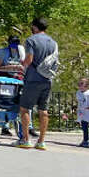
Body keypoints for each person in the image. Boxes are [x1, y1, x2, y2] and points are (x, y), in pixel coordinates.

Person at [17, 18, 58, 150]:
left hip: (33, 78)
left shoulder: (31, 40)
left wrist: (22, 66)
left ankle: (26, 140)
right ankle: (41, 141)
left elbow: (29, 59)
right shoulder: (53, 43)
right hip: (47, 79)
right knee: (43, 110)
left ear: (34, 27)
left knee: (24, 108)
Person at [75, 77, 89, 148]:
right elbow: (79, 101)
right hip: (81, 111)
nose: (80, 86)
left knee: (85, 125)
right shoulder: (78, 92)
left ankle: (86, 140)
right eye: (79, 84)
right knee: (83, 126)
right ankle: (85, 139)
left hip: (87, 111)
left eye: (82, 84)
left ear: (87, 85)